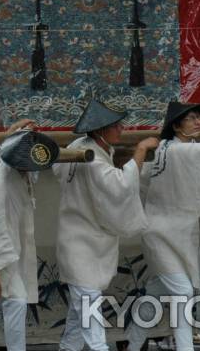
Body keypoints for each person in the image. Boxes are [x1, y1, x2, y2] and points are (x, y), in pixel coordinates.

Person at [124, 100, 200, 351]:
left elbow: (146, 184)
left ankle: (133, 345)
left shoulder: (172, 150)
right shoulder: (176, 150)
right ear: (176, 125)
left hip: (182, 232)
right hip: (160, 233)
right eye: (191, 118)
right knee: (183, 293)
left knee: (156, 291)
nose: (199, 122)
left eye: (199, 117)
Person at [54, 99, 159, 351]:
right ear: (102, 130)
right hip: (81, 242)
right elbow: (120, 186)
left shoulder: (79, 147)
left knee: (78, 318)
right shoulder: (91, 157)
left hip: (81, 239)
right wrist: (141, 151)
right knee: (89, 312)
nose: (122, 129)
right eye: (117, 125)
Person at [0, 122, 59, 351]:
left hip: (11, 249)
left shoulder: (10, 169)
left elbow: (1, 148)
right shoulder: (2, 184)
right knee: (16, 301)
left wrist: (21, 128)